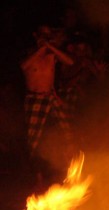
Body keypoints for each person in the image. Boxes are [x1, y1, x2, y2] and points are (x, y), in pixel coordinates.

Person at [20, 25, 75, 165]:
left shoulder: (52, 55)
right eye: (43, 35)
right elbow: (24, 66)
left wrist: (50, 47)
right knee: (33, 136)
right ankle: (31, 166)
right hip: (35, 98)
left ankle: (71, 157)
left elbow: (70, 62)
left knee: (66, 127)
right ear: (36, 36)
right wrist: (43, 48)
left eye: (48, 35)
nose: (46, 38)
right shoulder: (30, 53)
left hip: (50, 97)